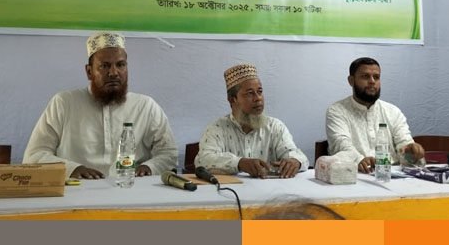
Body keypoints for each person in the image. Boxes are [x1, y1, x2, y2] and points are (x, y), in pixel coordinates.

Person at [23, 32, 178, 179]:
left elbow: (169, 153)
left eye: (120, 65)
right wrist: (72, 169)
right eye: (104, 66)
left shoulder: (146, 106)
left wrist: (149, 168)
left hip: (131, 188)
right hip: (78, 189)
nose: (114, 72)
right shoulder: (64, 103)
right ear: (89, 71)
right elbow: (34, 155)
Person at [195, 63, 308, 178]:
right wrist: (239, 163)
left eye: (260, 92)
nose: (258, 98)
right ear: (232, 100)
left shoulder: (275, 127)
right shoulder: (217, 128)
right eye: (250, 93)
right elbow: (202, 160)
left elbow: (297, 155)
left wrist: (295, 161)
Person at [326, 57, 425, 174]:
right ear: (351, 81)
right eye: (365, 76)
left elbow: (404, 144)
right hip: (354, 174)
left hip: (392, 175)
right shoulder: (337, 110)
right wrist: (359, 160)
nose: (372, 81)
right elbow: (341, 144)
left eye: (376, 77)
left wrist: (411, 151)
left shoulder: (392, 111)